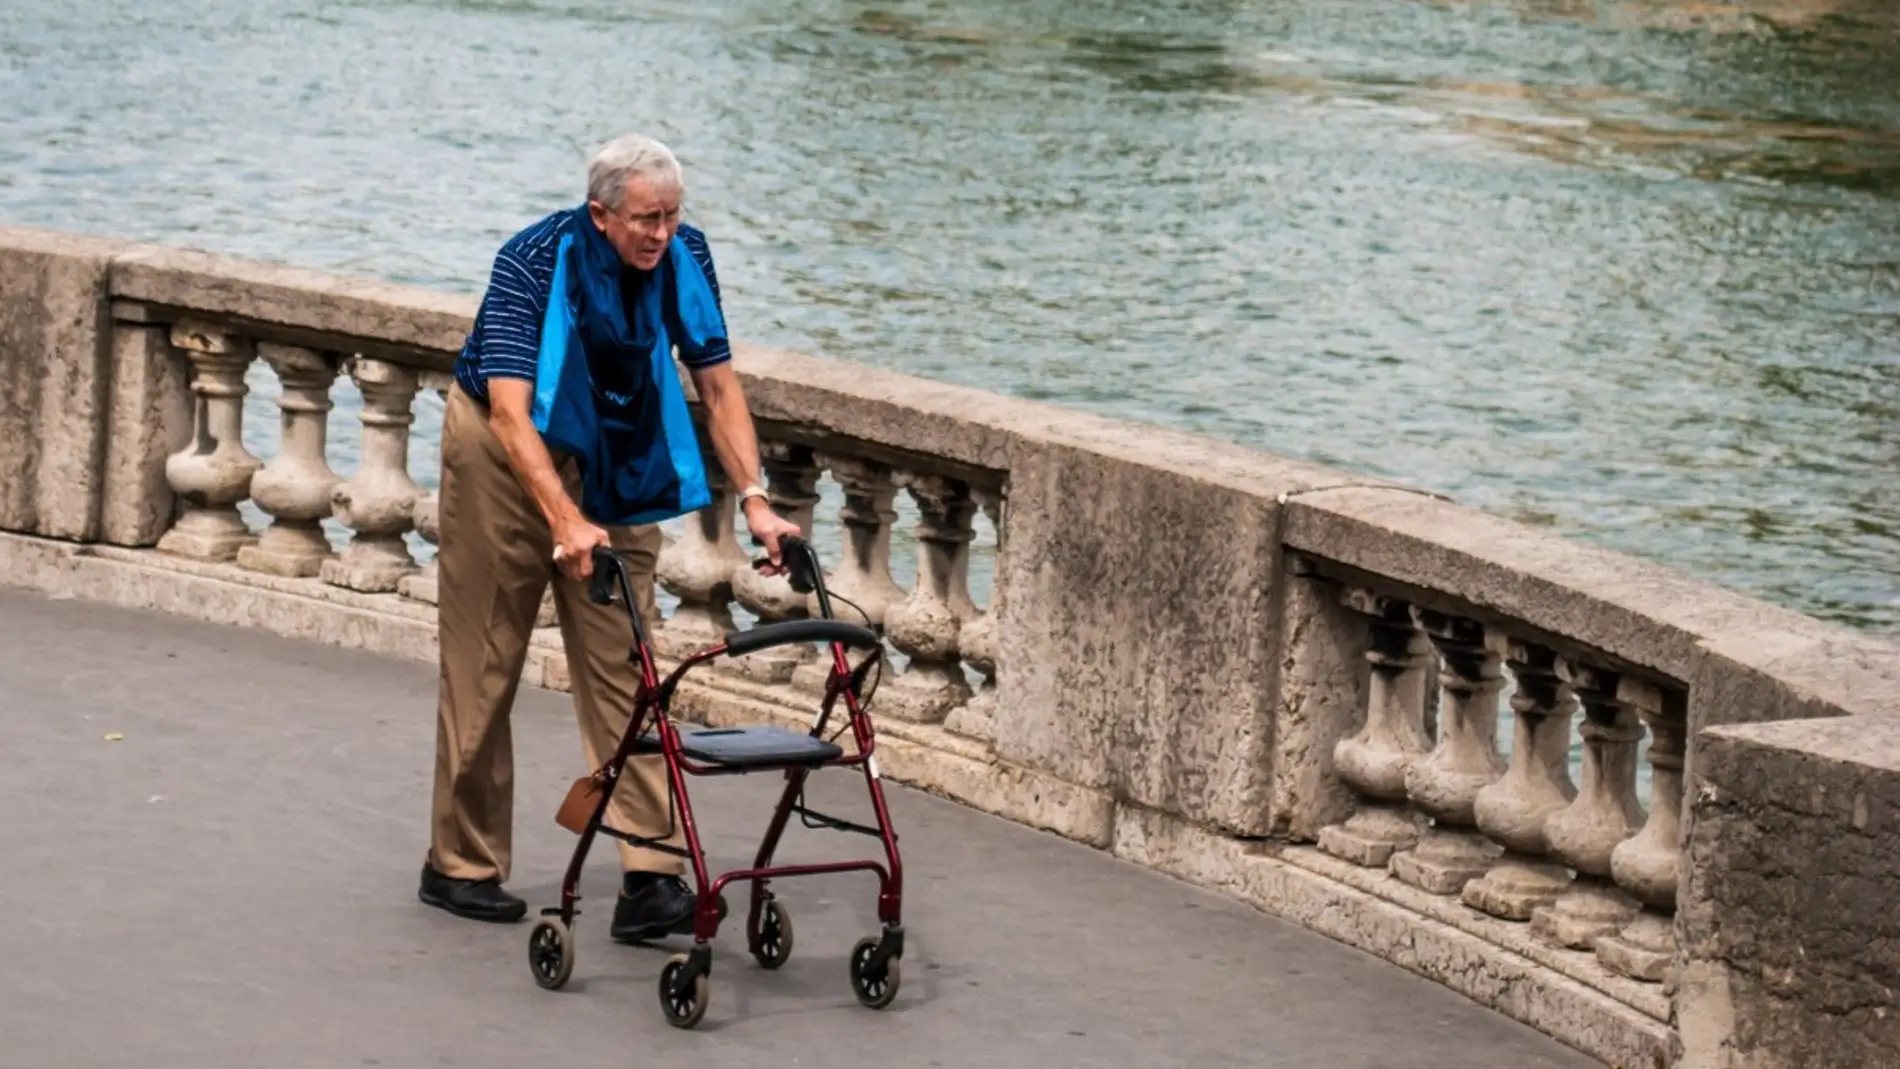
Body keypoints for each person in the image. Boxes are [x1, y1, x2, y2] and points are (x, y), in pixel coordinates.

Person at [419, 133, 799, 941]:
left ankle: (649, 874)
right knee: (486, 656)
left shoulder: (685, 257)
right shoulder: (532, 261)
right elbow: (512, 413)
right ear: (600, 215)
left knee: (629, 662)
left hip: (616, 452)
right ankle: (461, 862)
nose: (659, 234)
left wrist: (758, 499)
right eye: (643, 220)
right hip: (504, 453)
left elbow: (718, 382)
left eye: (670, 215)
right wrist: (562, 519)